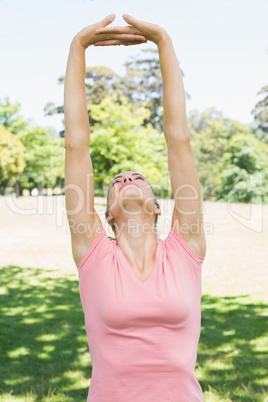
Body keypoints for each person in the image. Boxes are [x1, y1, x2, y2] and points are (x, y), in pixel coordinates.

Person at [64, 13, 207, 402]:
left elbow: (178, 139)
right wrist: (78, 47)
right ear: (106, 214)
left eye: (137, 177)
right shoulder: (91, 253)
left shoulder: (185, 248)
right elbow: (77, 146)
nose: (126, 178)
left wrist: (163, 41)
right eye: (116, 181)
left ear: (158, 207)